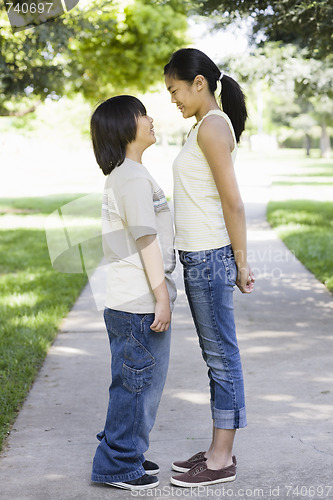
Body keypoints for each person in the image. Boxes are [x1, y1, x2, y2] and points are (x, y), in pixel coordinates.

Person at [164, 48, 254, 487]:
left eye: (175, 90)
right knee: (214, 353)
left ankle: (221, 459)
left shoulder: (213, 128)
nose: (173, 99)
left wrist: (240, 261)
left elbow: (232, 202)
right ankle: (218, 446)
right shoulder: (203, 126)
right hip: (200, 256)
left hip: (210, 258)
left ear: (199, 83)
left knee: (221, 355)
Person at [90, 95, 177, 491]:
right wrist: (161, 296)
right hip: (139, 304)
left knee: (135, 383)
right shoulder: (131, 177)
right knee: (137, 385)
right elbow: (147, 241)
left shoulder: (130, 173)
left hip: (131, 302)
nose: (151, 118)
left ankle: (126, 449)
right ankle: (118, 463)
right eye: (143, 114)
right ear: (126, 127)